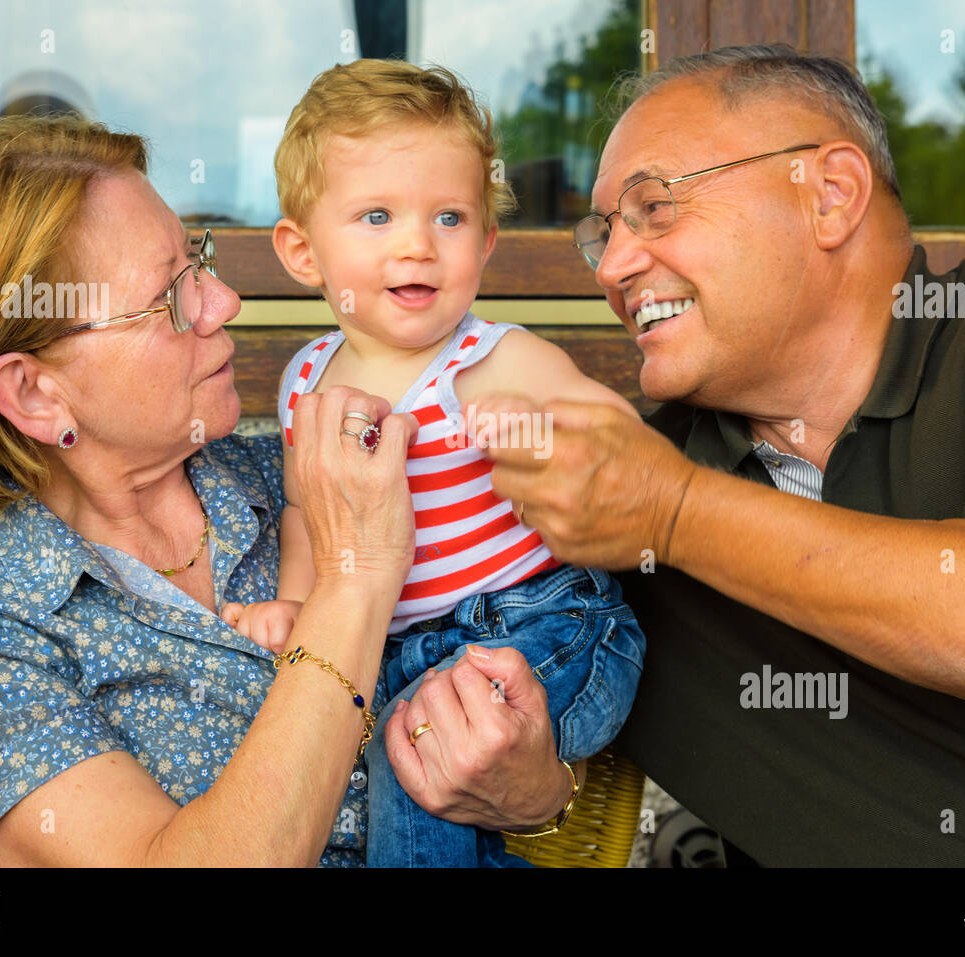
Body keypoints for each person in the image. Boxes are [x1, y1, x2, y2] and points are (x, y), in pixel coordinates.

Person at [465, 46, 965, 865]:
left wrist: (675, 512)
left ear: (830, 196)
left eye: (654, 206)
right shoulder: (613, 489)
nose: (612, 267)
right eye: (601, 234)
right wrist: (539, 797)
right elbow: (559, 792)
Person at [0, 115, 576, 867]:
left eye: (200, 258)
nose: (223, 301)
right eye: (171, 296)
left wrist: (538, 796)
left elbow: (550, 654)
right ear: (35, 395)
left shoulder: (304, 474)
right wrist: (356, 581)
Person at [220, 60, 647, 867]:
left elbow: (624, 453)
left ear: (486, 242)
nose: (417, 244)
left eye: (449, 218)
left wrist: (538, 434)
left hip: (544, 626)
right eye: (376, 215)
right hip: (413, 650)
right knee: (398, 746)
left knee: (414, 752)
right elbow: (308, 509)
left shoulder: (496, 360)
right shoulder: (306, 381)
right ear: (301, 251)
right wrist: (297, 601)